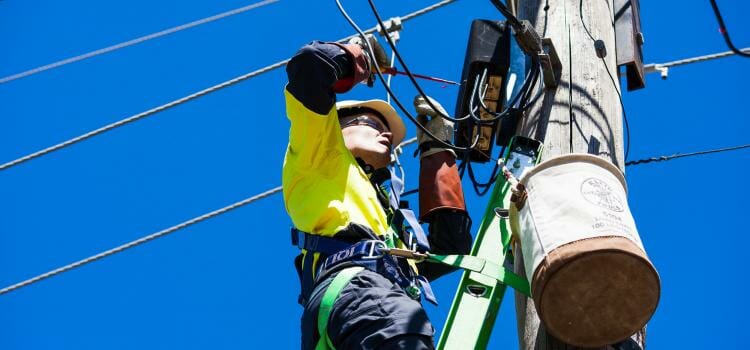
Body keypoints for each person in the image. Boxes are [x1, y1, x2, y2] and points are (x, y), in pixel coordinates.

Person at [282, 36, 472, 349]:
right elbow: (311, 66)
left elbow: (451, 247)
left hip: (357, 309)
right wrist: (361, 56)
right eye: (372, 122)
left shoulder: (382, 216)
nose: (386, 134)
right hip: (359, 294)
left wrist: (437, 149)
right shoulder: (318, 151)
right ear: (337, 127)